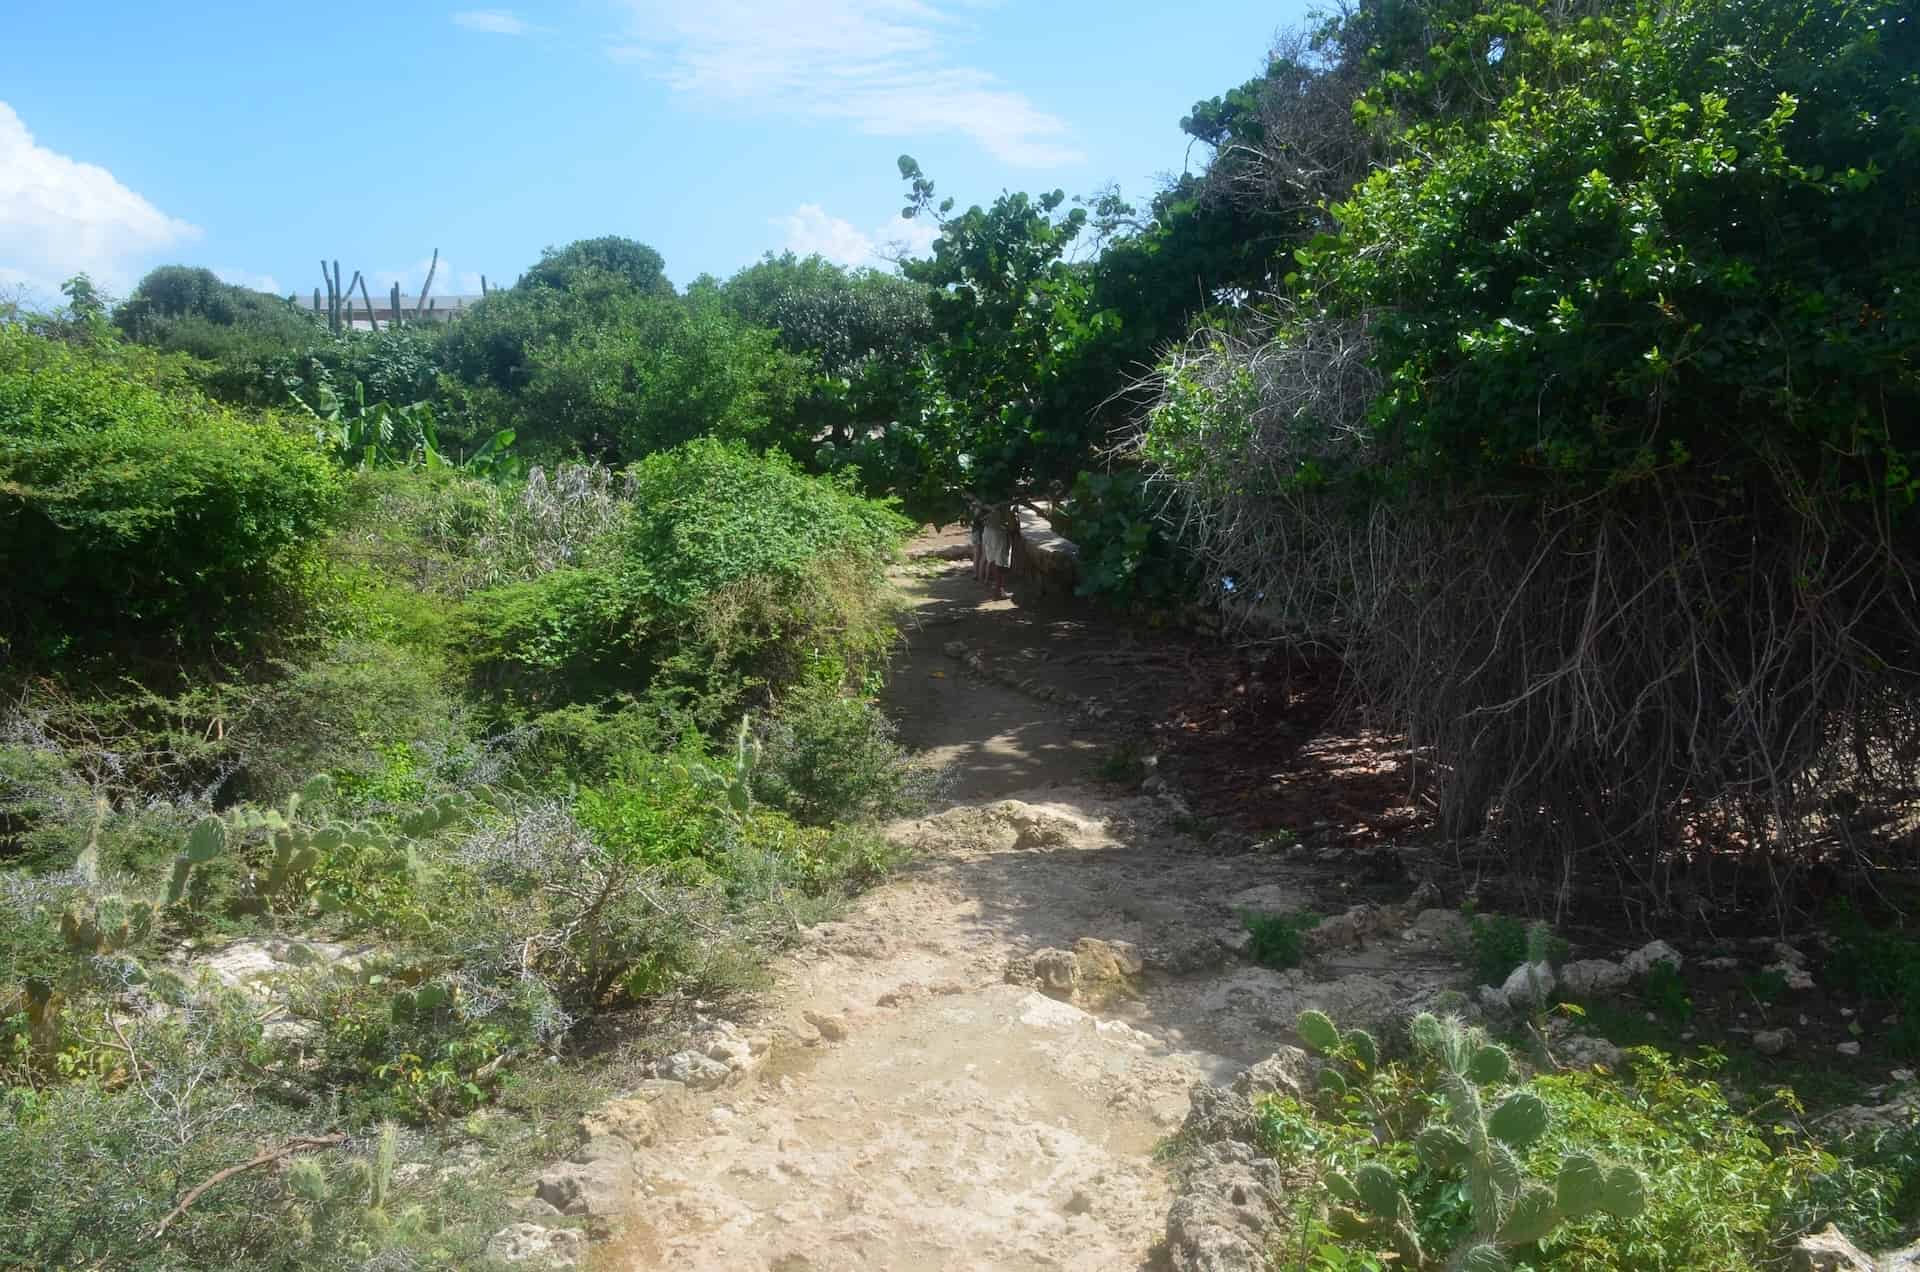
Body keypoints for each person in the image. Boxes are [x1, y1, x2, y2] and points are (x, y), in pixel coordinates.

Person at [981, 501, 1016, 599]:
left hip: (987, 531)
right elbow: (1012, 526)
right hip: (998, 533)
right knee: (1000, 564)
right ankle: (998, 592)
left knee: (991, 560)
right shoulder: (1005, 504)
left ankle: (997, 590)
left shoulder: (987, 501)